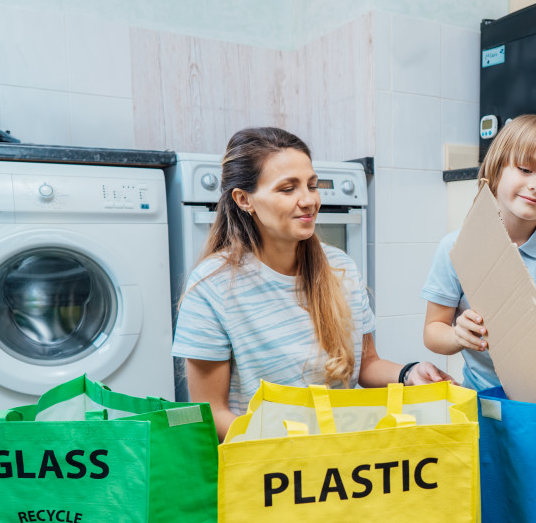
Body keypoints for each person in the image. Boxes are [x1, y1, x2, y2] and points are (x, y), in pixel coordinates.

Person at [173, 127, 451, 440]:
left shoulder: (341, 269)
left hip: (336, 457)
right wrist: (291, 444)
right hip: (263, 467)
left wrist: (409, 373)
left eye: (312, 185)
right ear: (244, 199)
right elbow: (211, 413)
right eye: (287, 189)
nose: (309, 200)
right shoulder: (211, 287)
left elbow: (365, 364)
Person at [422, 114, 536, 391]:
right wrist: (458, 336)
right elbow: (433, 332)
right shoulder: (456, 248)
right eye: (525, 169)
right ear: (496, 170)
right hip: (486, 394)